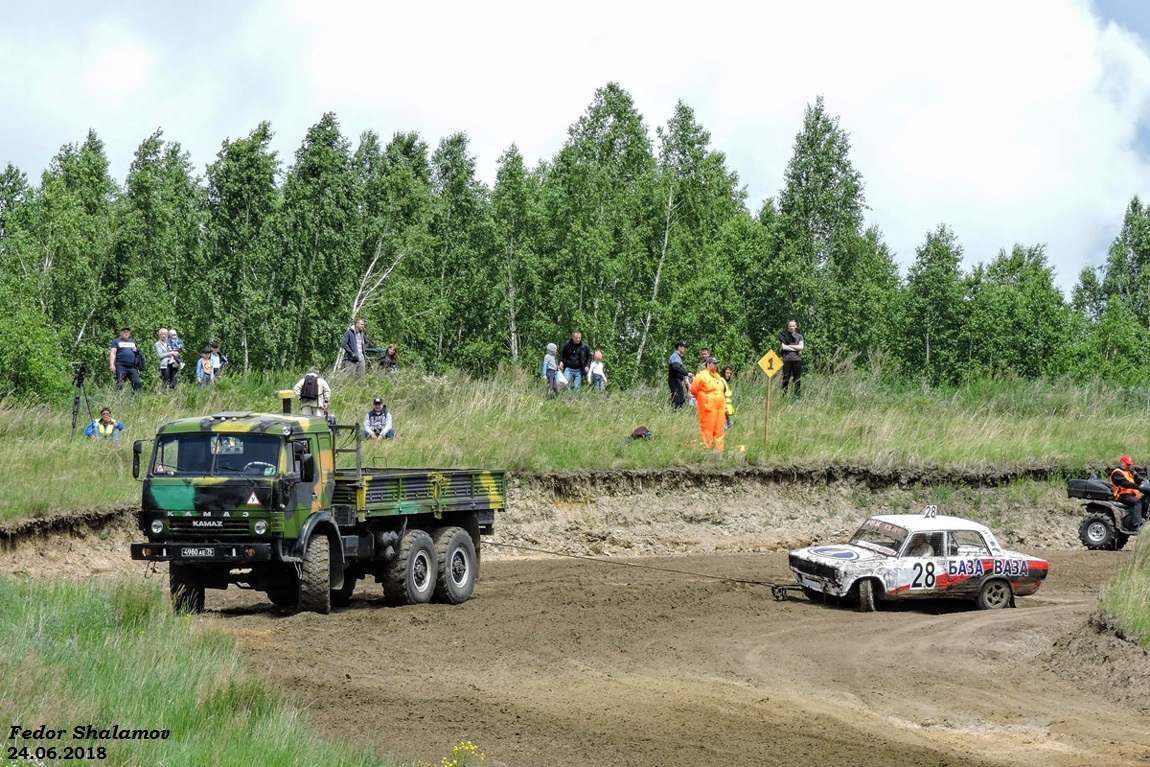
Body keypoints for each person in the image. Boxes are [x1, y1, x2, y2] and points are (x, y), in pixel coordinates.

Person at [689, 357, 726, 451]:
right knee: (708, 428)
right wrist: (703, 399)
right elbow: (693, 389)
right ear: (708, 364)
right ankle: (707, 448)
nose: (716, 365)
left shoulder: (718, 376)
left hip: (720, 407)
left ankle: (719, 449)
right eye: (714, 363)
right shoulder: (701, 375)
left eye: (716, 363)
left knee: (719, 428)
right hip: (708, 407)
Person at [1110, 455, 1146, 530]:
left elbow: (1137, 480)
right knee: (1137, 502)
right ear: (1122, 463)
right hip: (1121, 495)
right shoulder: (1117, 473)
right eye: (1128, 464)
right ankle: (1135, 524)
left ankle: (1143, 518)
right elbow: (1125, 483)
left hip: (1130, 495)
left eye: (1130, 464)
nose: (1129, 466)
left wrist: (1140, 479)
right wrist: (1137, 487)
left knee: (1144, 499)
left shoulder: (1128, 472)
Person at [109, 326, 142, 392]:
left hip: (132, 366)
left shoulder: (132, 341)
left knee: (137, 382)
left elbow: (138, 352)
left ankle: (137, 398)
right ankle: (120, 399)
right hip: (121, 365)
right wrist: (112, 364)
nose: (126, 333)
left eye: (127, 332)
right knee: (120, 383)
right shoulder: (116, 341)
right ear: (121, 333)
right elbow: (113, 352)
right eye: (124, 332)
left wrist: (136, 349)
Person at [780, 320, 804, 396]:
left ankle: (797, 395)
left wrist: (789, 346)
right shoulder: (784, 336)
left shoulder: (799, 336)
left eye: (793, 326)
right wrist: (796, 348)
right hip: (787, 359)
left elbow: (801, 347)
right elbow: (784, 348)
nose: (792, 327)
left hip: (797, 359)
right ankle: (784, 395)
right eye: (790, 326)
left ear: (796, 326)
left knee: (797, 379)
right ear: (788, 327)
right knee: (786, 379)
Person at [668, 342, 689, 409]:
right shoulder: (675, 356)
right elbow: (676, 367)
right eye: (684, 347)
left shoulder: (678, 357)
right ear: (679, 347)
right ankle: (675, 412)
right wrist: (687, 373)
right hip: (674, 380)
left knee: (681, 398)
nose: (685, 349)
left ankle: (677, 411)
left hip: (677, 380)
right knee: (677, 398)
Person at [721, 366, 735, 430]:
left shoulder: (724, 381)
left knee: (730, 423)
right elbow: (721, 395)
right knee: (725, 427)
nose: (729, 375)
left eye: (730, 373)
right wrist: (724, 408)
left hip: (725, 407)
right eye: (727, 373)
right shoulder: (721, 381)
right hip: (722, 408)